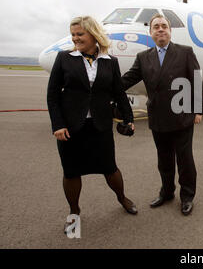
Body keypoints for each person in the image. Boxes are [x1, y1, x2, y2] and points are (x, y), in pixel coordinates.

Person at [47, 16, 138, 234]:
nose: (75, 38)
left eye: (80, 34)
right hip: (71, 127)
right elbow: (52, 95)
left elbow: (118, 92)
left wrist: (129, 118)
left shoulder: (110, 61)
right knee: (71, 172)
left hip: (100, 125)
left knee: (110, 168)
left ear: (94, 35)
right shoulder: (64, 58)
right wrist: (58, 125)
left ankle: (122, 198)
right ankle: (74, 211)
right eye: (73, 34)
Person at [121, 14, 202, 216]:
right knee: (164, 160)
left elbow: (197, 81)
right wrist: (105, 86)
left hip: (182, 116)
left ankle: (187, 196)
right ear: (150, 33)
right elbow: (128, 79)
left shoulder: (185, 52)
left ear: (170, 31)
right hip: (158, 117)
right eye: (156, 27)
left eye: (164, 26)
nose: (160, 29)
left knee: (185, 160)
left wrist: (198, 109)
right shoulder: (143, 57)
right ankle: (167, 193)